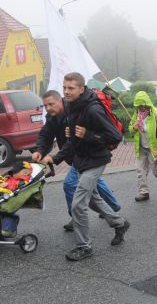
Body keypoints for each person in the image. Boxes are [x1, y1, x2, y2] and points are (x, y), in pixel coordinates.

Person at [41, 73, 129, 261]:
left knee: (78, 204)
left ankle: (84, 247)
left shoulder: (93, 110)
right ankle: (119, 223)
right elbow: (72, 141)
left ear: (81, 89)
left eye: (71, 88)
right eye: (64, 87)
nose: (66, 91)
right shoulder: (72, 108)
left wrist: (88, 135)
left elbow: (115, 137)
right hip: (81, 160)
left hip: (96, 160)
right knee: (92, 200)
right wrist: (54, 159)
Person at [32, 90, 121, 230]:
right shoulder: (52, 116)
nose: (48, 108)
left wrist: (55, 158)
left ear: (59, 101)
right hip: (76, 155)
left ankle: (77, 219)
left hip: (85, 154)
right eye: (45, 106)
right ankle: (113, 207)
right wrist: (40, 150)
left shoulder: (73, 112)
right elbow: (45, 134)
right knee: (94, 183)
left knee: (70, 184)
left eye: (51, 104)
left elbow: (72, 141)